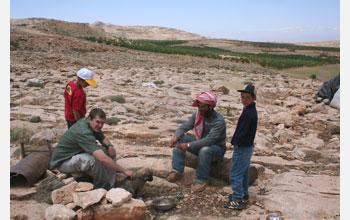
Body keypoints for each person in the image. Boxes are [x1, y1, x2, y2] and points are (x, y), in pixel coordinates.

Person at [50, 108, 135, 190]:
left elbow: (102, 138)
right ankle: (102, 187)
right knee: (94, 159)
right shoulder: (83, 131)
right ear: (89, 119)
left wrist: (110, 146)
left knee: (107, 150)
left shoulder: (91, 125)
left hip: (76, 153)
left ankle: (110, 183)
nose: (100, 125)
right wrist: (124, 171)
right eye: (98, 122)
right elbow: (102, 159)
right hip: (63, 162)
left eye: (102, 123)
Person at [166, 91, 226, 192]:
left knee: (205, 150)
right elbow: (185, 126)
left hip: (216, 148)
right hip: (201, 143)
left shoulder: (218, 121)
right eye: (199, 106)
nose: (200, 109)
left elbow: (209, 140)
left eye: (203, 107)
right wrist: (175, 137)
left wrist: (189, 145)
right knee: (181, 138)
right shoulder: (198, 114)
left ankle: (202, 179)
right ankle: (177, 170)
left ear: (210, 107)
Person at [223, 84, 258, 210]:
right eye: (242, 97)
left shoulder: (249, 113)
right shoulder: (249, 110)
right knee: (243, 172)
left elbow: (243, 131)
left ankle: (237, 199)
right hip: (247, 147)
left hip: (242, 147)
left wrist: (236, 143)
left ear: (254, 98)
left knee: (235, 174)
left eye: (247, 97)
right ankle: (244, 194)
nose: (244, 100)